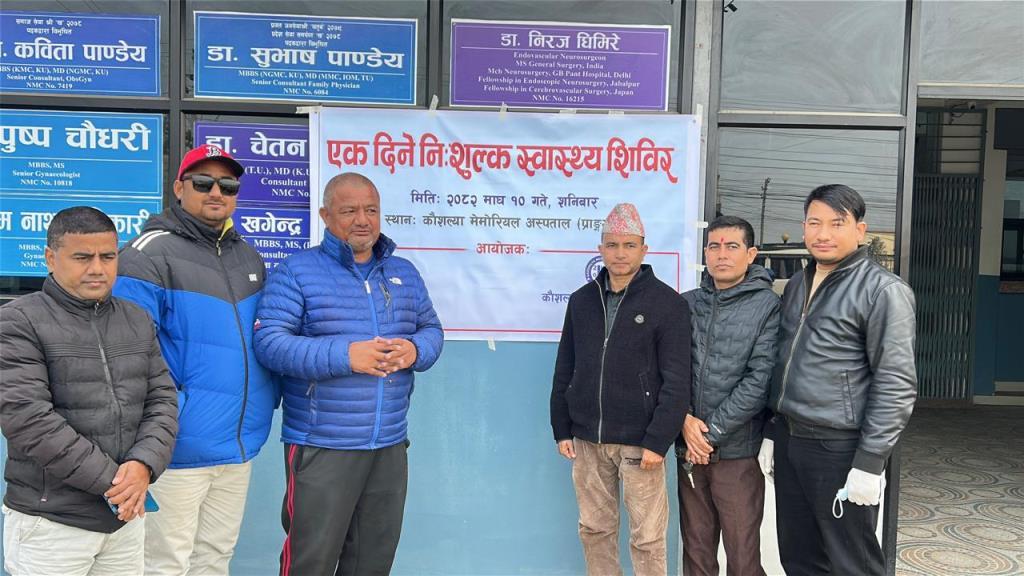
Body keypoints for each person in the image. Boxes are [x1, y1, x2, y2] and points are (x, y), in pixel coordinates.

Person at [253, 172, 444, 576]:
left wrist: (415, 350)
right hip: (322, 444)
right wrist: (346, 355)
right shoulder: (296, 271)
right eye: (349, 211)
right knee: (311, 561)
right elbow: (270, 343)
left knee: (371, 562)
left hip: (388, 444)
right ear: (325, 216)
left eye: (371, 210)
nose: (362, 220)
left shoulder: (404, 272)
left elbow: (431, 330)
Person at [113, 144, 278, 575]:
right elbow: (126, 356)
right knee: (164, 564)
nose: (216, 192)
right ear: (178, 188)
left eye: (227, 185)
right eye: (203, 183)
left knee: (215, 559)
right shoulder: (147, 255)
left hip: (237, 445)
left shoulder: (248, 257)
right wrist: (171, 417)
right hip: (177, 448)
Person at [1, 206, 178, 576]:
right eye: (82, 257)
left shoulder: (136, 318)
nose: (97, 268)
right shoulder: (18, 321)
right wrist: (119, 484)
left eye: (108, 256)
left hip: (123, 522)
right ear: (51, 258)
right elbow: (29, 420)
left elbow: (162, 400)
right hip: (51, 524)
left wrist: (144, 465)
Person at [758, 184, 917, 575]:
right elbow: (783, 360)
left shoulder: (883, 291)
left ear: (860, 231)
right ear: (803, 227)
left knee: (851, 563)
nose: (823, 233)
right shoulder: (796, 285)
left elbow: (895, 384)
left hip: (839, 448)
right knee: (799, 556)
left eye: (836, 223)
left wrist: (870, 462)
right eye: (814, 223)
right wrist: (771, 430)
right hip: (791, 441)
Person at [550, 202, 691, 576]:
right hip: (588, 441)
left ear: (644, 249)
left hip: (640, 443)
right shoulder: (582, 301)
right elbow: (565, 366)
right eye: (612, 245)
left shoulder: (668, 304)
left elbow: (677, 381)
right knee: (594, 529)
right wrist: (562, 428)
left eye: (629, 245)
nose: (620, 253)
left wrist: (658, 440)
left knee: (647, 538)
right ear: (601, 249)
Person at [677, 215, 779, 576]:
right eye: (714, 246)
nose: (722, 254)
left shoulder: (767, 306)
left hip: (737, 453)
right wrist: (684, 421)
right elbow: (671, 371)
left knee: (743, 557)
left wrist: (709, 435)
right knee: (696, 554)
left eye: (732, 246)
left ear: (750, 254)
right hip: (690, 452)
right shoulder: (686, 304)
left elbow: (760, 380)